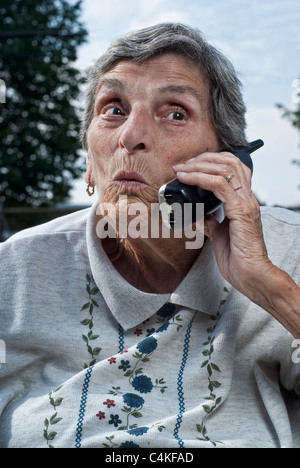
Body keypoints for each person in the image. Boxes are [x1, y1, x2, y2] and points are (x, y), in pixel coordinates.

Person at [0, 23, 300, 449]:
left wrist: (270, 288)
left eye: (175, 112)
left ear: (225, 161)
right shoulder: (12, 273)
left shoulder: (289, 250)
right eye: (114, 109)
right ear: (89, 162)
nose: (130, 136)